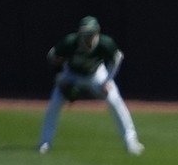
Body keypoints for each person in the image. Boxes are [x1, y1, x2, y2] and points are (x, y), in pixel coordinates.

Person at [39, 16, 143, 156]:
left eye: (90, 34)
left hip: (96, 74)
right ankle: (45, 143)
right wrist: (60, 77)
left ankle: (131, 141)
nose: (87, 38)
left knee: (114, 99)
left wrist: (107, 80)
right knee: (55, 103)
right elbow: (52, 56)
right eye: (85, 34)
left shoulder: (105, 43)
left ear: (97, 32)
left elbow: (117, 59)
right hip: (71, 74)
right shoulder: (71, 41)